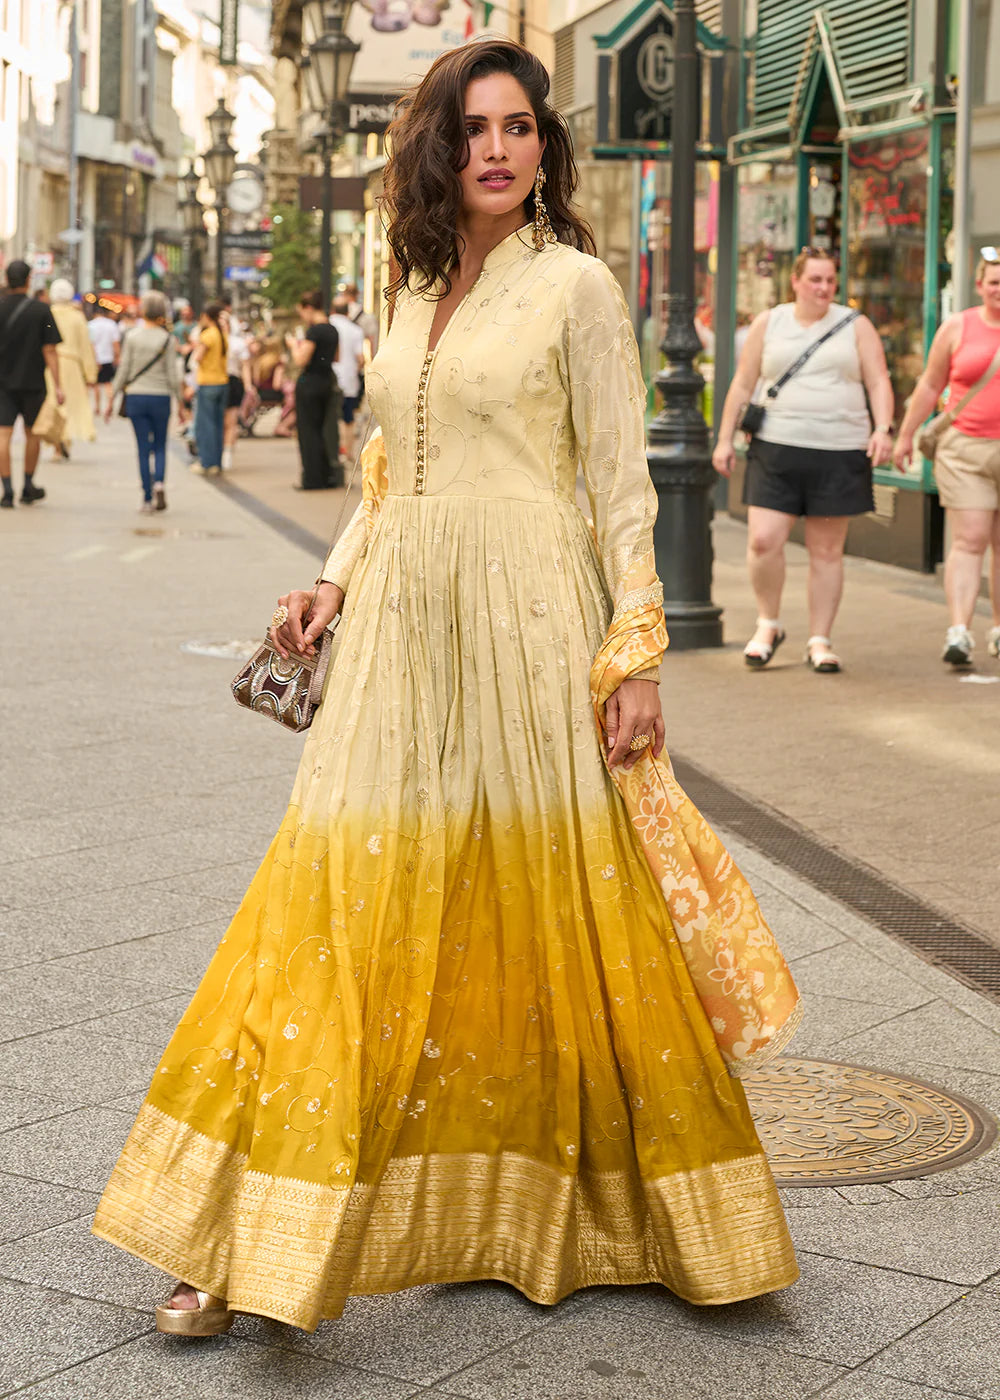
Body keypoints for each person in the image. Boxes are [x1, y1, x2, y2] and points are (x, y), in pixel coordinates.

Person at [95, 38, 801, 1335]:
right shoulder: (408, 288)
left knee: (558, 911)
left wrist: (635, 653)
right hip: (405, 626)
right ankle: (250, 1234)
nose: (495, 148)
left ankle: (568, 1210)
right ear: (437, 144)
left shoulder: (579, 287)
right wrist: (334, 583)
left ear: (545, 146)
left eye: (519, 127)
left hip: (534, 621)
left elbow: (616, 487)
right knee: (335, 897)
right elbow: (386, 475)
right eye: (473, 127)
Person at [713, 249, 894, 672]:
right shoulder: (770, 322)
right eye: (815, 279)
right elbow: (743, 384)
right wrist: (723, 439)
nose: (823, 288)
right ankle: (768, 625)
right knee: (763, 541)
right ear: (794, 281)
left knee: (827, 551)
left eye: (830, 280)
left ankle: (820, 640)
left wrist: (883, 428)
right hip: (776, 447)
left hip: (840, 448)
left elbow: (879, 379)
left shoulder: (855, 324)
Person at [893, 252, 1000, 665]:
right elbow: (929, 385)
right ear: (979, 285)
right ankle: (959, 631)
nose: (998, 289)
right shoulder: (959, 326)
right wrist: (906, 435)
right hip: (966, 449)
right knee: (971, 539)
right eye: (993, 281)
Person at [108, 291, 186, 512]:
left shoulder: (132, 336)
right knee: (161, 445)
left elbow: (123, 370)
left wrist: (111, 398)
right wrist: (180, 403)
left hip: (136, 397)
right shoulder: (168, 339)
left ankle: (147, 497)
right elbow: (173, 374)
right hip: (161, 396)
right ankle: (160, 482)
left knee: (143, 448)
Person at [0, 259, 64, 508]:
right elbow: (50, 350)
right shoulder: (41, 311)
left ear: (7, 279)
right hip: (33, 383)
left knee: (3, 435)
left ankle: (6, 490)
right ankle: (27, 485)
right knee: (32, 435)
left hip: (2, 385)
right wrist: (58, 385)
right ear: (28, 280)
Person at [286, 290, 339, 489]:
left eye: (301, 311)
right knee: (321, 430)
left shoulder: (314, 331)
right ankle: (326, 475)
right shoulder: (333, 330)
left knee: (308, 432)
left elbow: (301, 359)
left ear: (308, 308)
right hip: (326, 381)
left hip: (310, 383)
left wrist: (293, 346)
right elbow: (336, 357)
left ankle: (312, 478)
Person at [45, 278, 98, 458]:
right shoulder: (77, 317)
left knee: (53, 404)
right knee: (69, 403)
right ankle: (64, 440)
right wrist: (90, 373)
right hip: (72, 365)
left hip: (50, 366)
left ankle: (57, 445)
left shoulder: (47, 314)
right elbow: (85, 346)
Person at [189, 302, 228, 474]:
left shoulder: (208, 335)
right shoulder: (222, 334)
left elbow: (197, 357)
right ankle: (216, 462)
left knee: (206, 425)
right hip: (222, 381)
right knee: (218, 424)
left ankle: (206, 462)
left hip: (207, 382)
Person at [329, 295, 366, 459]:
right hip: (349, 379)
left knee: (331, 417)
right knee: (348, 417)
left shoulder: (326, 326)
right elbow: (361, 359)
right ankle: (348, 451)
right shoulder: (355, 330)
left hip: (330, 377)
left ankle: (333, 451)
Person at [222, 316, 252, 469]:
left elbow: (245, 366)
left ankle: (227, 452)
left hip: (232, 381)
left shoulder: (237, 343)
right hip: (215, 382)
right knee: (218, 421)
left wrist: (248, 385)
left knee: (231, 421)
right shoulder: (210, 339)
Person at [88, 302, 120, 418]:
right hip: (108, 357)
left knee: (95, 384)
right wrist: (117, 357)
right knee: (108, 383)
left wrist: (93, 358)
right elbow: (115, 343)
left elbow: (90, 344)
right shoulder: (112, 324)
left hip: (95, 358)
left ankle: (97, 407)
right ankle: (110, 405)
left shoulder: (90, 325)